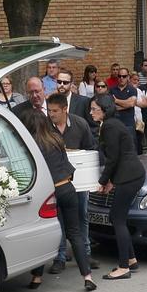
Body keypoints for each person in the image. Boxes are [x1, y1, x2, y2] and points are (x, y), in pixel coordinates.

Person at [20, 110, 97, 291]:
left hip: (49, 193)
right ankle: (88, 277)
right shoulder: (56, 139)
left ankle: (37, 278)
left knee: (44, 235)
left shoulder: (31, 145)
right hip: (67, 188)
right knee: (75, 234)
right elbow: (68, 167)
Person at [89, 94, 145, 280]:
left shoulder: (110, 126)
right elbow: (116, 156)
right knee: (118, 218)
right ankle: (131, 260)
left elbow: (112, 158)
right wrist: (110, 180)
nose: (91, 112)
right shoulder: (111, 124)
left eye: (94, 109)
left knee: (117, 218)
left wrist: (103, 181)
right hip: (129, 174)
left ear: (104, 109)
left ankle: (123, 267)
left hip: (129, 176)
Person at [46, 94, 100, 274]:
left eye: (54, 111)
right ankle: (60, 257)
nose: (51, 114)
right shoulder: (45, 127)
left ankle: (85, 254)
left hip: (80, 180)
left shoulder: (79, 124)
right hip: (58, 181)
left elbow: (92, 149)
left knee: (82, 216)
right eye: (49, 110)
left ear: (64, 109)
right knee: (58, 220)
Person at [110, 67, 137, 146]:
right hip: (115, 124)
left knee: (130, 147)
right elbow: (111, 106)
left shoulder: (132, 89)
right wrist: (126, 104)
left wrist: (117, 101)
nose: (121, 78)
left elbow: (132, 103)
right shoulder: (112, 90)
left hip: (128, 124)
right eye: (119, 76)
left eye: (124, 76)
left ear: (128, 77)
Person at [130, 72, 147, 154]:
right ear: (130, 80)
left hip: (139, 121)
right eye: (134, 79)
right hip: (130, 120)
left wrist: (133, 102)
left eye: (138, 80)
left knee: (139, 142)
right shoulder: (127, 90)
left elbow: (144, 104)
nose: (136, 81)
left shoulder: (139, 91)